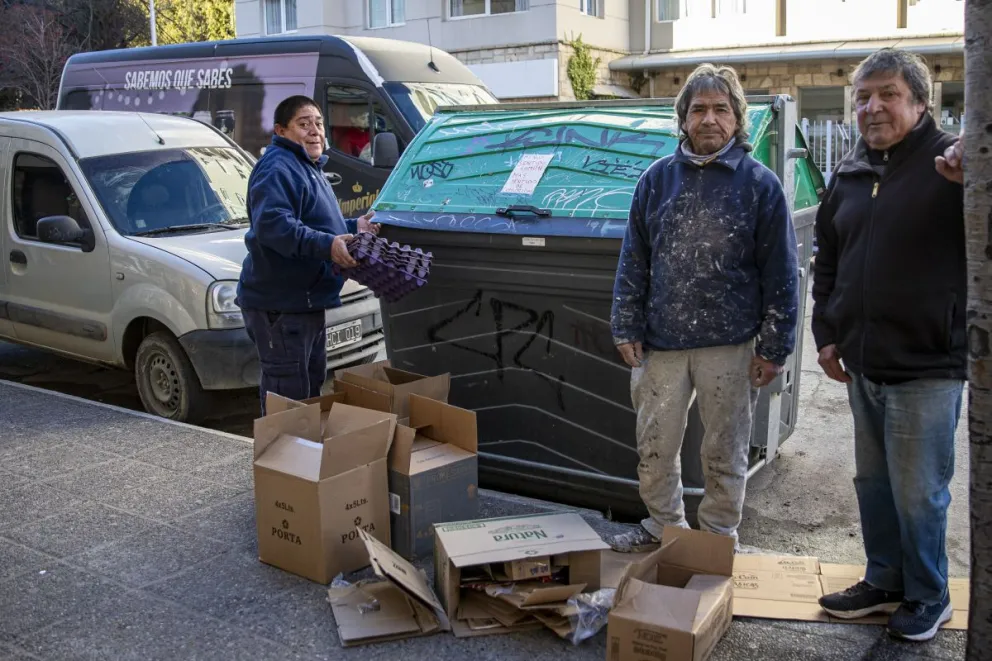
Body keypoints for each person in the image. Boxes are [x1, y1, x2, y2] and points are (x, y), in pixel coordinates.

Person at [608, 63, 800, 553]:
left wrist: (775, 347)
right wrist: (625, 323)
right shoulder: (656, 181)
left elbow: (780, 273)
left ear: (737, 118)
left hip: (730, 346)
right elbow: (635, 257)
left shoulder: (760, 185)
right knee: (655, 446)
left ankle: (718, 536)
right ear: (683, 119)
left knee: (724, 449)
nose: (709, 119)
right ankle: (662, 527)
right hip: (661, 343)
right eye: (698, 110)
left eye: (720, 109)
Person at [812, 48, 965, 642]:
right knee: (873, 484)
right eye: (862, 96)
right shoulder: (850, 171)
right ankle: (886, 580)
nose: (872, 107)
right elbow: (829, 261)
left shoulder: (951, 163)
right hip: (863, 362)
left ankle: (931, 595)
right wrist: (826, 334)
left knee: (919, 493)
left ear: (921, 102)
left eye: (888, 95)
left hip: (928, 364)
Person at [236, 95, 378, 414]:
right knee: (290, 401)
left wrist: (357, 226)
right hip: (280, 306)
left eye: (318, 123)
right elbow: (274, 226)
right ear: (281, 131)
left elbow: (319, 222)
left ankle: (302, 459)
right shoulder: (277, 167)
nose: (315, 131)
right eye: (303, 124)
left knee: (308, 390)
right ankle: (285, 462)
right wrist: (328, 246)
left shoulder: (307, 166)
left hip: (305, 302)